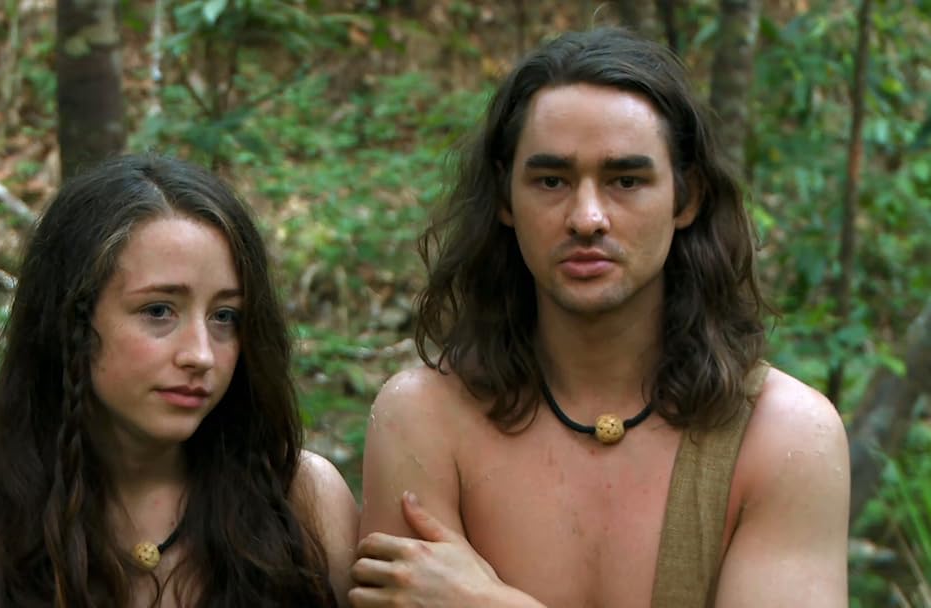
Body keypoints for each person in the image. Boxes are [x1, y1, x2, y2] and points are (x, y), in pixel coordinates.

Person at [350, 28, 849, 608]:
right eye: (551, 181)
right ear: (506, 199)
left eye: (626, 181)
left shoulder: (784, 436)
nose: (587, 218)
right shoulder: (426, 421)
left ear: (686, 199)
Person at [0, 154, 358, 607]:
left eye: (225, 316)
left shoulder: (304, 501)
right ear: (71, 322)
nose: (201, 355)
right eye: (159, 310)